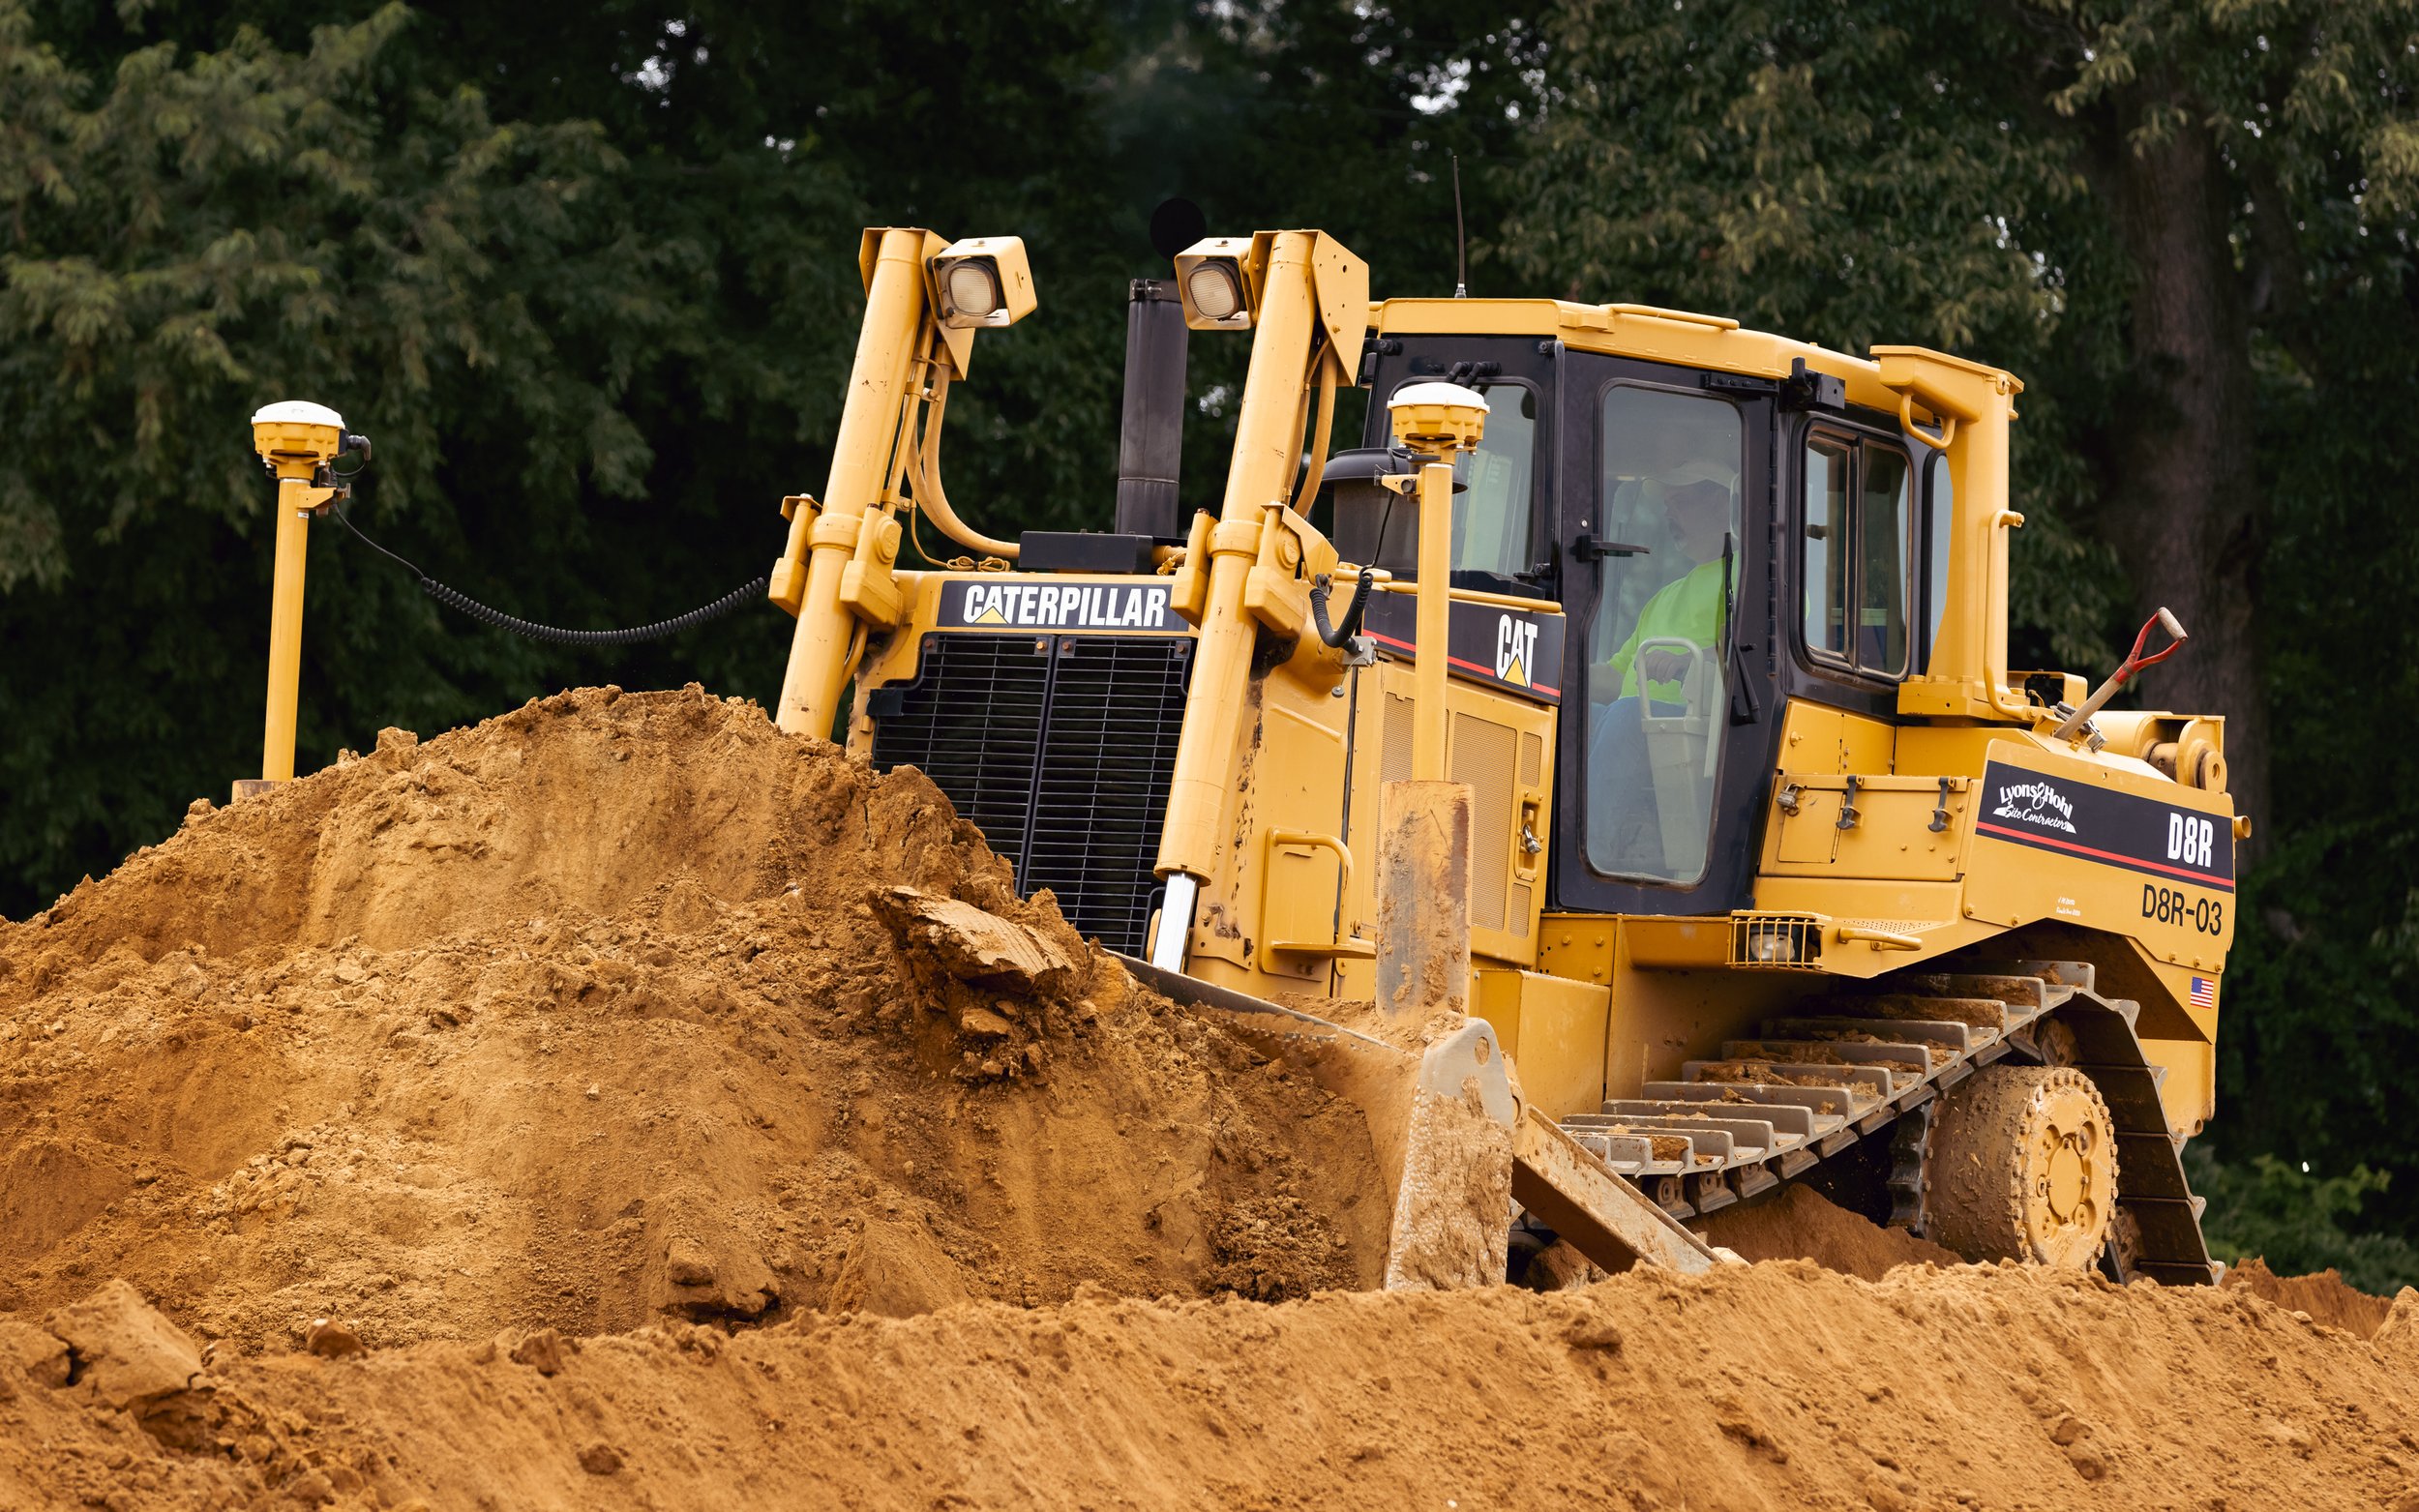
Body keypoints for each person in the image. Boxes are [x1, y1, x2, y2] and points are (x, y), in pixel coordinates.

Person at [1586, 458, 1736, 875]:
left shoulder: (1749, 581)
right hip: (1639, 725)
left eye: (1681, 501)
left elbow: (1751, 652)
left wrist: (1689, 660)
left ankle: (1589, 849)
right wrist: (1561, 671)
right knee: (1582, 716)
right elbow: (1617, 679)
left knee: (1627, 716)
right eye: (1667, 503)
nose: (1669, 512)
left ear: (1724, 505)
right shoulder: (1665, 596)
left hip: (1700, 735)